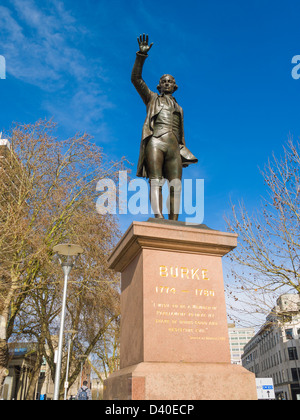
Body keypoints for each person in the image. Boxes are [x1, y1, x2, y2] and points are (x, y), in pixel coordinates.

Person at [131, 34, 198, 220]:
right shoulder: (152, 98)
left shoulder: (180, 108)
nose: (167, 83)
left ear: (174, 86)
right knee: (156, 181)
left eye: (170, 81)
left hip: (174, 146)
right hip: (156, 141)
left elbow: (181, 133)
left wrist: (182, 148)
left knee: (176, 184)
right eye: (163, 81)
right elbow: (136, 79)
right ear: (159, 86)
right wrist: (141, 56)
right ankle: (159, 217)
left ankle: (174, 222)